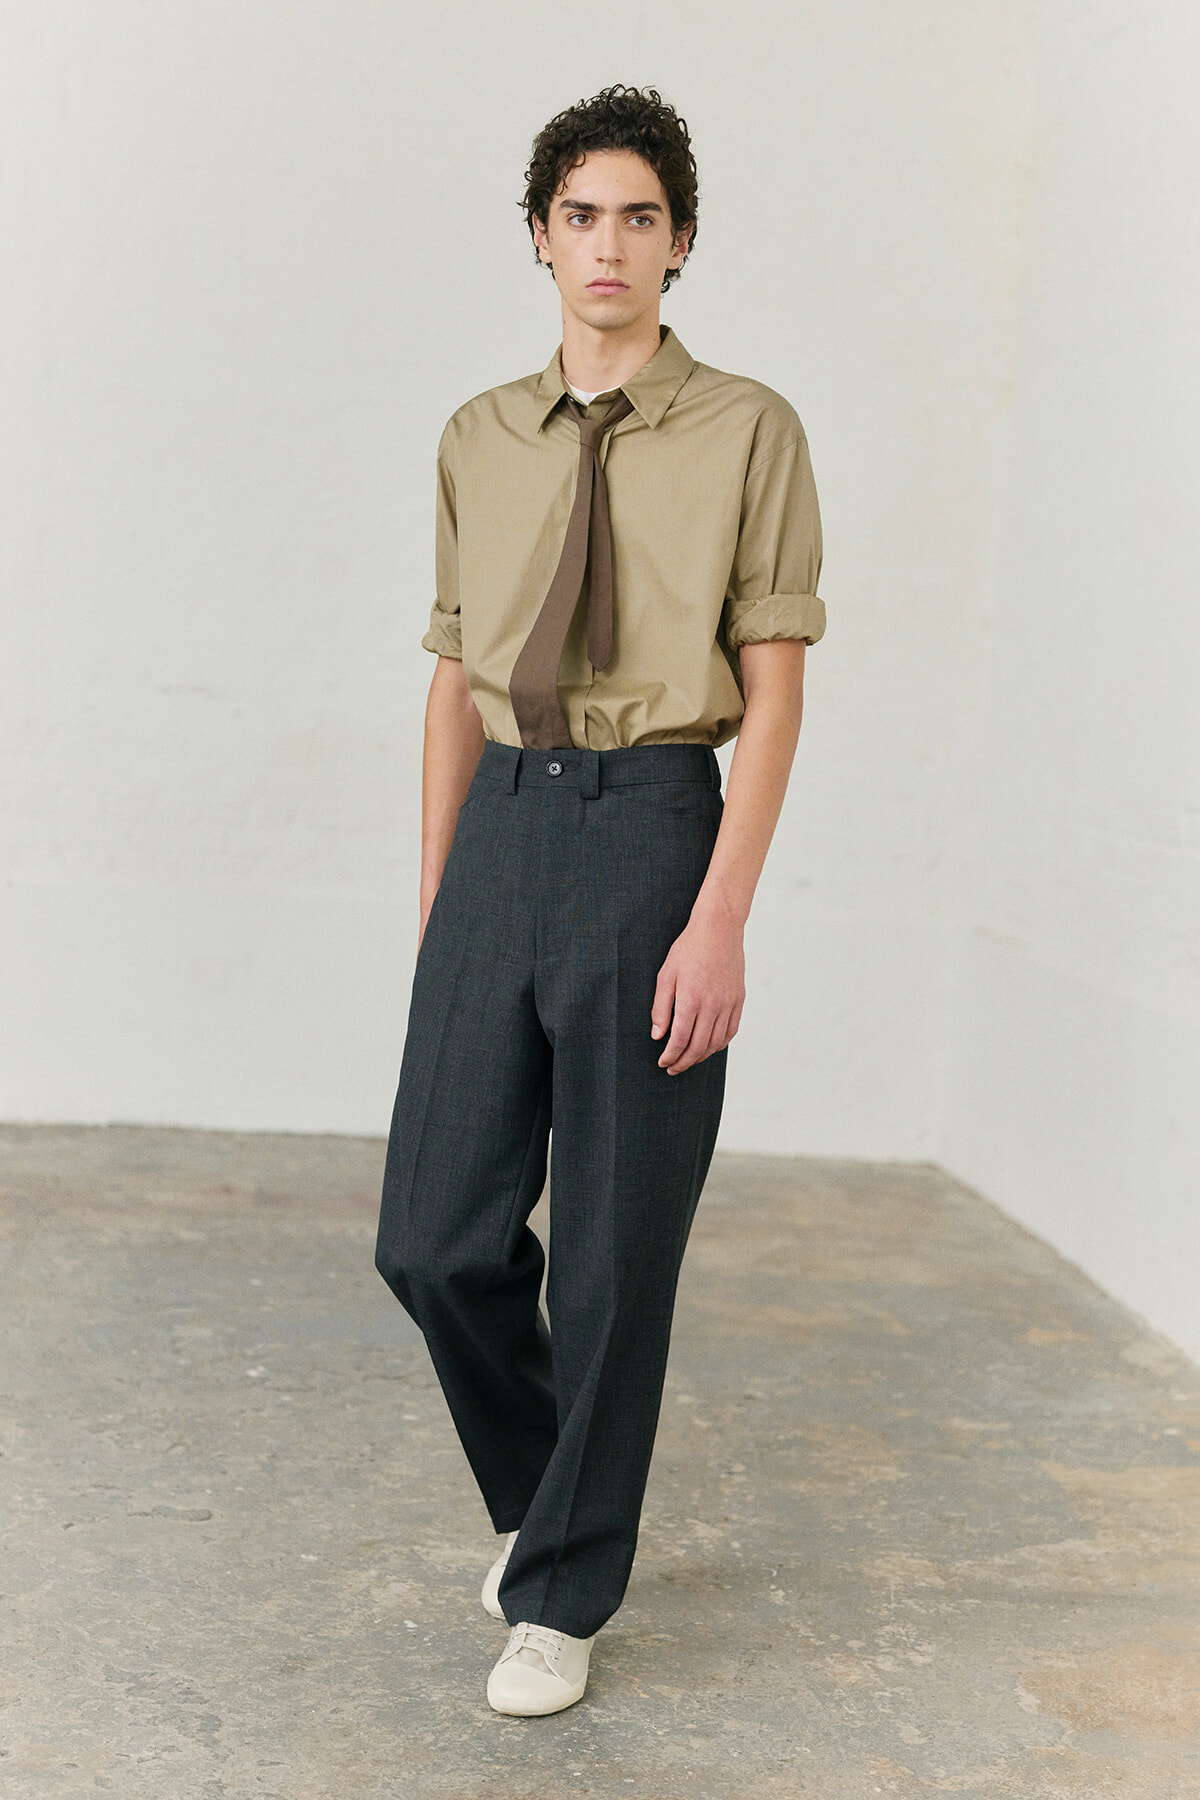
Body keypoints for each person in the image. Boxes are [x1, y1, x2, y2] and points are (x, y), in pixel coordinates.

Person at [375, 82, 825, 1716]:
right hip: (500, 827)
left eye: (641, 216)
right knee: (432, 1239)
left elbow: (773, 691)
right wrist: (446, 891)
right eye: (582, 216)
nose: (610, 244)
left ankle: (561, 1596)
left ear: (681, 241)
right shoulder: (477, 437)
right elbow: (450, 678)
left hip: (653, 830)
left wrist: (723, 915)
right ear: (541, 238)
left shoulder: (751, 429)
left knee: (617, 1258)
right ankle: (548, 1500)